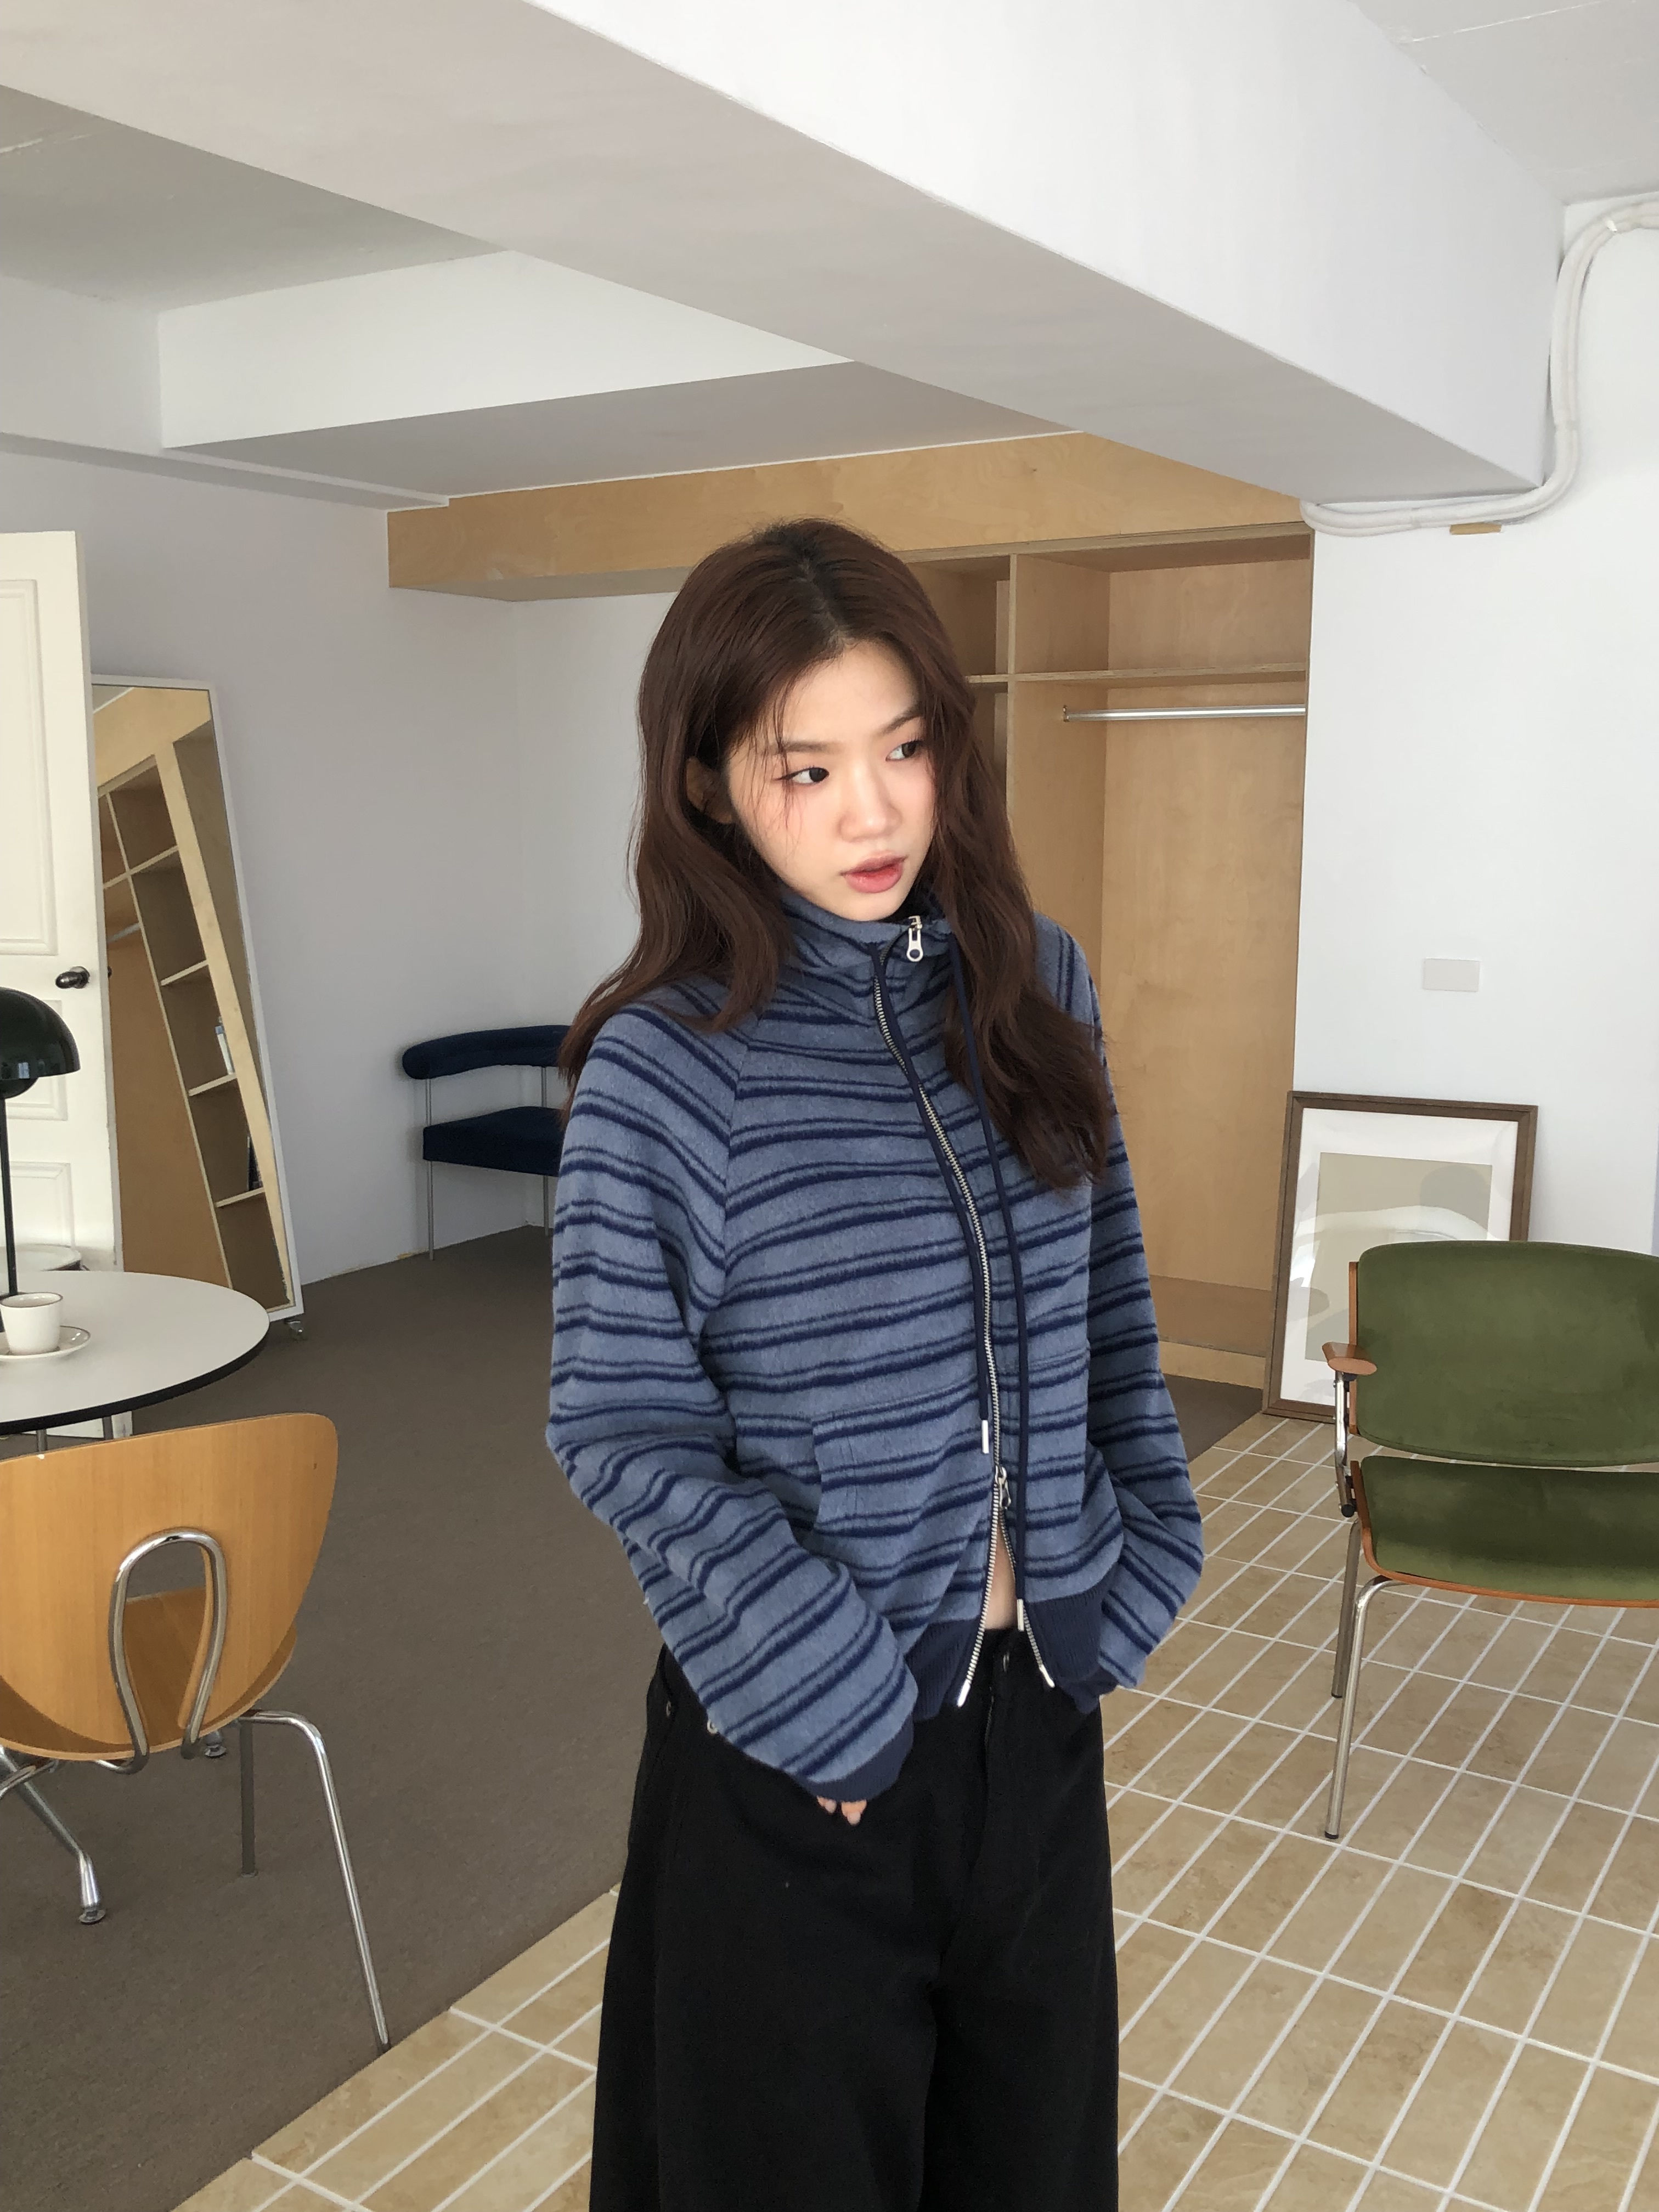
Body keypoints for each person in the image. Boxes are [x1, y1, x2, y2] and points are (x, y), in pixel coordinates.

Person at [547, 518, 1204, 2212]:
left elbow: (1109, 1301)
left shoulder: (1036, 983)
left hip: (1034, 1730)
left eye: (905, 750)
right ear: (710, 787)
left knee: (1033, 2171)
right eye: (807, 769)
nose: (873, 813)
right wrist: (824, 1693)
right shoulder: (669, 1069)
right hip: (800, 1752)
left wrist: (1133, 1563)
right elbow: (622, 1426)